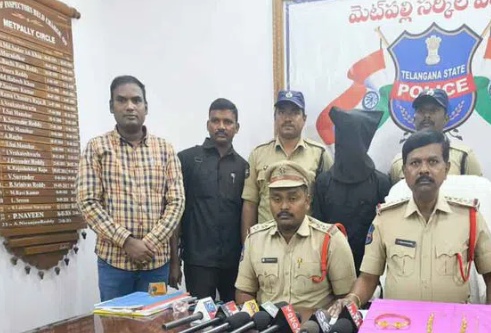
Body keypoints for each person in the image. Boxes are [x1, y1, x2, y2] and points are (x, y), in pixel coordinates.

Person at [329, 129, 491, 315]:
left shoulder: (469, 217)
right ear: (405, 171)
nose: (424, 169)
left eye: (433, 162)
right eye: (415, 163)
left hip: (452, 323)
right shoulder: (385, 219)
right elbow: (368, 278)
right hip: (398, 322)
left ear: (446, 169)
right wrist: (352, 299)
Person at [77, 75, 185, 301]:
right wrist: (127, 242)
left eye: (136, 100)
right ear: (111, 106)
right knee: (116, 322)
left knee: (155, 320)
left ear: (146, 107)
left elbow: (176, 203)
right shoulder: (96, 148)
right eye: (121, 100)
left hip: (156, 263)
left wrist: (149, 243)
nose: (129, 106)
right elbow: (87, 202)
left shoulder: (165, 150)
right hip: (114, 264)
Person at [235, 161, 356, 309]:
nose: (284, 206)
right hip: (267, 323)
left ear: (307, 201)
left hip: (314, 323)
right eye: (276, 199)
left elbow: (345, 298)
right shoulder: (255, 239)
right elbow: (244, 292)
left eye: (292, 198)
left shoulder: (330, 239)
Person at [170, 99, 248, 301]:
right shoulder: (186, 160)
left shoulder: (243, 167)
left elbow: (246, 215)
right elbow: (175, 214)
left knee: (235, 316)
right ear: (208, 125)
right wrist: (174, 261)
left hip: (233, 263)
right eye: (215, 121)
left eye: (227, 122)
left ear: (237, 127)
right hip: (198, 261)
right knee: (200, 316)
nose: (221, 126)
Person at [240, 90, 333, 242]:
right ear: (274, 118)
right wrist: (247, 246)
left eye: (294, 113)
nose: (288, 119)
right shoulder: (258, 154)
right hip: (266, 243)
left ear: (304, 119)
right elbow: (250, 204)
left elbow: (329, 204)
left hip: (307, 243)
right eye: (282, 112)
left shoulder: (320, 154)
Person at [312, 107, 390, 274]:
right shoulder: (323, 182)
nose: (347, 143)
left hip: (370, 270)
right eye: (343, 136)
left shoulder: (381, 183)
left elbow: (386, 233)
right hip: (330, 268)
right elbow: (317, 232)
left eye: (352, 137)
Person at [388, 89, 483, 183]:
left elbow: (479, 191)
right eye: (421, 111)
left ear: (446, 119)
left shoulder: (463, 156)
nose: (426, 115)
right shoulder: (399, 162)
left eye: (433, 110)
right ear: (414, 119)